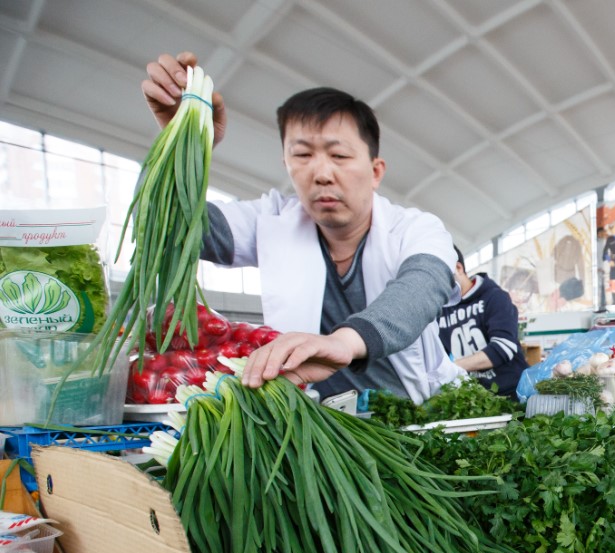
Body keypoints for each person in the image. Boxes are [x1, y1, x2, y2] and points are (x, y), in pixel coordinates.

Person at [140, 52, 464, 402]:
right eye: (303, 155)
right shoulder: (271, 221)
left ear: (375, 171)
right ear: (286, 163)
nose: (322, 173)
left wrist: (342, 342)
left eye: (339, 156)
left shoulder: (415, 228)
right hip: (316, 423)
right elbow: (171, 225)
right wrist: (183, 143)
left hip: (414, 412)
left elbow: (420, 288)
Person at [436, 246, 529, 398]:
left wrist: (451, 368)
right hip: (475, 398)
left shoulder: (495, 297)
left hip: (513, 394)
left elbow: (503, 348)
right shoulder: (440, 311)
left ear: (458, 268)